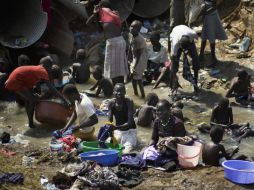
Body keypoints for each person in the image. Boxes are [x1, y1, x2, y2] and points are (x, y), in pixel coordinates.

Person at [5, 56, 69, 128]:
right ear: (47, 66)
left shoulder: (37, 69)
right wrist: (64, 100)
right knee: (32, 100)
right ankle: (31, 124)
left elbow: (31, 82)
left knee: (28, 99)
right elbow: (52, 89)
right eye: (50, 67)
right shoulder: (42, 71)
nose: (50, 69)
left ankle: (30, 122)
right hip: (16, 81)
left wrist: (37, 95)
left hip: (17, 81)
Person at [86, 0, 129, 86]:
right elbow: (99, 29)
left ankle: (117, 87)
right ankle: (119, 87)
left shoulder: (106, 14)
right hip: (118, 42)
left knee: (113, 70)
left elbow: (88, 23)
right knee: (118, 69)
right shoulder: (112, 15)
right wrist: (95, 14)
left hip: (114, 43)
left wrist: (95, 13)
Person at [169, 25, 200, 93]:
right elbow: (173, 58)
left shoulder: (193, 34)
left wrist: (189, 53)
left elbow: (197, 39)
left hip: (187, 37)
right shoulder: (175, 44)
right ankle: (172, 84)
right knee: (174, 65)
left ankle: (195, 84)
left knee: (196, 60)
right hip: (176, 32)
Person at [108, 83, 137, 153]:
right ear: (113, 92)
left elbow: (129, 123)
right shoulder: (111, 103)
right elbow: (110, 121)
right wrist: (110, 133)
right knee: (108, 146)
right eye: (117, 91)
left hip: (130, 131)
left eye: (121, 91)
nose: (119, 93)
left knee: (125, 152)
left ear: (125, 92)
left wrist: (115, 127)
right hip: (119, 131)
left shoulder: (129, 102)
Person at [199, 0, 227, 67]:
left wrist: (204, 13)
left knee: (212, 36)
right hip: (207, 17)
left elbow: (214, 7)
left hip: (212, 16)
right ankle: (201, 55)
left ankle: (213, 58)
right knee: (204, 36)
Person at [129, 20, 148, 98]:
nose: (131, 28)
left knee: (138, 78)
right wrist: (129, 57)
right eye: (131, 26)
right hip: (136, 58)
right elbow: (130, 47)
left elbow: (138, 55)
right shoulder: (132, 35)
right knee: (133, 78)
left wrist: (134, 66)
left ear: (138, 30)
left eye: (134, 27)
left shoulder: (138, 40)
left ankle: (143, 95)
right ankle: (135, 93)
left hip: (140, 60)